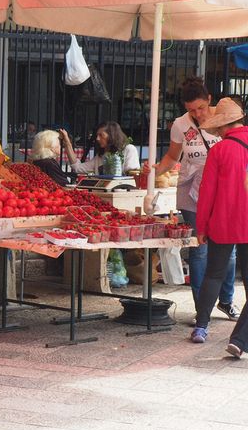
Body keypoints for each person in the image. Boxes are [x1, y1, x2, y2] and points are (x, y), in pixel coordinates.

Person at [145, 77, 239, 322]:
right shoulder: (180, 125)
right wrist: (154, 170)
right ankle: (202, 309)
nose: (197, 114)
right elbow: (172, 157)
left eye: (200, 108)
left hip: (223, 192)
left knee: (228, 253)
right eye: (191, 110)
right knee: (199, 251)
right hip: (191, 191)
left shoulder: (224, 119)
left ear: (210, 100)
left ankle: (226, 301)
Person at [190, 98, 248, 351]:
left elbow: (207, 194)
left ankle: (201, 326)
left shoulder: (220, 150)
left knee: (214, 274)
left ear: (223, 126)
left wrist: (201, 227)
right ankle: (238, 339)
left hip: (223, 221)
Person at [59, 121, 139, 175]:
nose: (97, 139)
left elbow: (133, 173)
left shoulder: (129, 149)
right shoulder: (100, 156)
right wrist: (67, 142)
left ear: (112, 135)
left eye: (101, 135)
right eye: (97, 135)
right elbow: (77, 167)